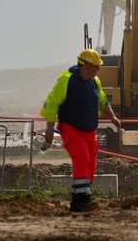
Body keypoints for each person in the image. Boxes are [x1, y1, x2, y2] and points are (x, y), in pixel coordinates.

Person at [40, 49, 122, 212]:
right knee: (82, 158)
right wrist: (49, 128)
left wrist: (113, 117)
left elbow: (103, 101)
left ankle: (80, 196)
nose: (98, 70)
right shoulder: (66, 81)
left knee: (91, 163)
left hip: (89, 130)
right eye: (96, 67)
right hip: (71, 128)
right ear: (85, 66)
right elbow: (51, 104)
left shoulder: (95, 82)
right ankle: (83, 198)